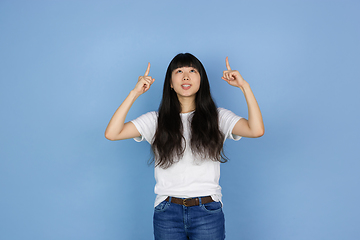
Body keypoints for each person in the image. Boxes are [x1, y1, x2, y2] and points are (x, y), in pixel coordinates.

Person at [105, 53, 264, 240]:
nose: (186, 76)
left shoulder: (218, 118)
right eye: (179, 71)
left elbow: (256, 130)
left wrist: (245, 87)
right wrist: (135, 93)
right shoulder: (156, 121)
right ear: (171, 83)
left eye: (192, 70)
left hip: (207, 210)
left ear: (201, 81)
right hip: (167, 212)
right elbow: (112, 133)